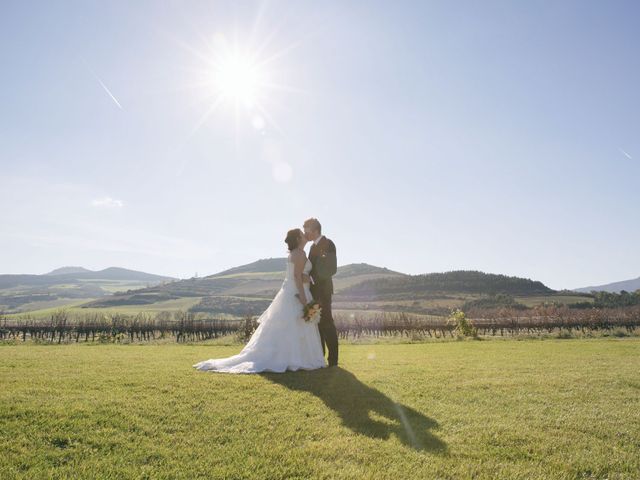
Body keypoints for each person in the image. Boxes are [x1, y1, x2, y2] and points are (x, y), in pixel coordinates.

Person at [193, 228, 326, 373]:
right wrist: (303, 297)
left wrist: (307, 280)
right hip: (297, 291)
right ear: (298, 239)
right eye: (302, 234)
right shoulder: (300, 253)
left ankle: (293, 357)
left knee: (291, 325)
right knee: (296, 324)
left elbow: (298, 274)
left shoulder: (294, 254)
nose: (305, 235)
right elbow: (296, 276)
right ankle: (296, 358)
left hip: (290, 290)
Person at [303, 217, 339, 367]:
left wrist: (311, 278)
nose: (305, 234)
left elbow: (331, 269)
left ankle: (333, 361)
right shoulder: (311, 247)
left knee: (326, 323)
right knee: (316, 324)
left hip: (323, 291)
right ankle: (320, 358)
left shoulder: (328, 244)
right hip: (312, 292)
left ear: (315, 230)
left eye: (307, 231)